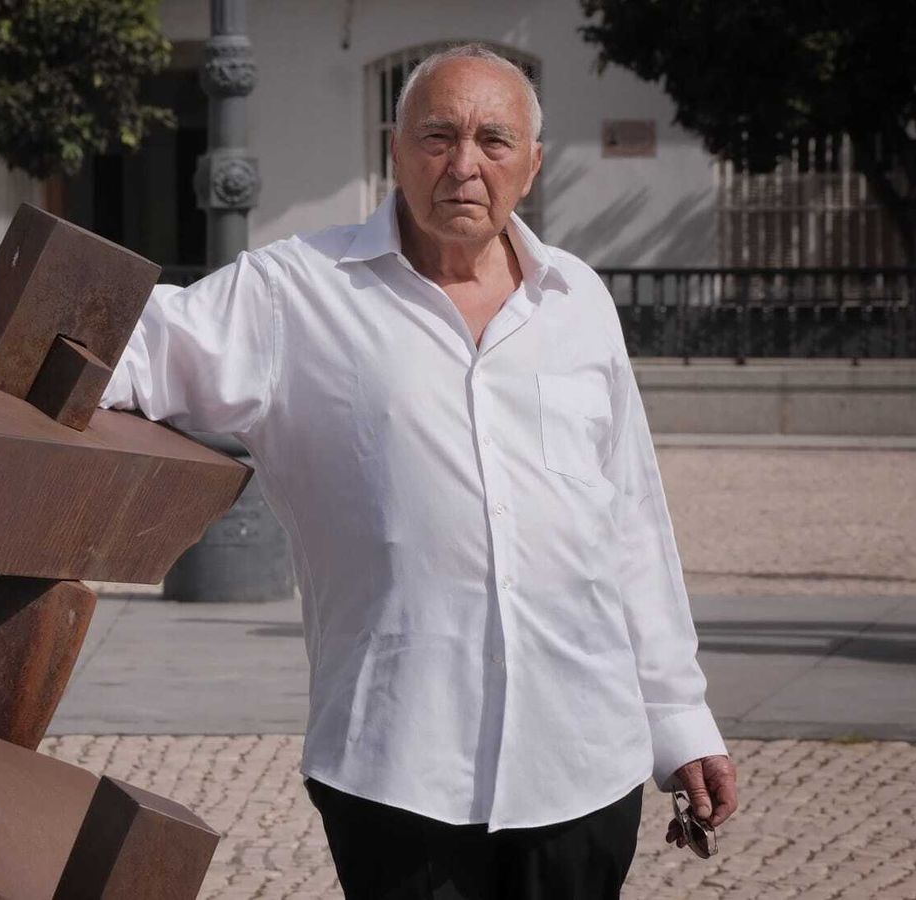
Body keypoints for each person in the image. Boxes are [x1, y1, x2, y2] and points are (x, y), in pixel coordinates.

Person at [99, 44, 740, 899]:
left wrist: (678, 716)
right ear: (395, 150)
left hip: (584, 760)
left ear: (534, 164)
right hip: (399, 771)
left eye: (494, 140)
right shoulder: (297, 294)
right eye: (437, 136)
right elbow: (136, 352)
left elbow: (630, 521)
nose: (464, 164)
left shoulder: (577, 300)